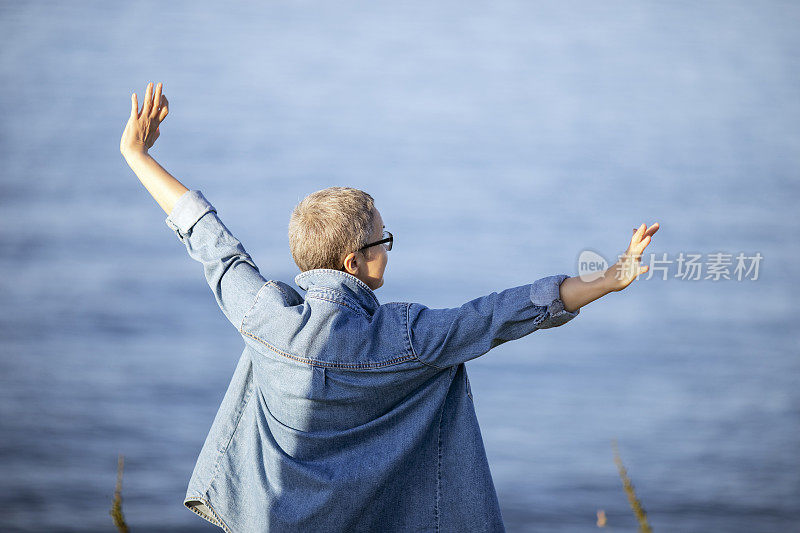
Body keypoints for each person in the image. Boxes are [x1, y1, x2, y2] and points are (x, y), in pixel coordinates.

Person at [120, 82, 659, 533]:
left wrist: (137, 155)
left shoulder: (264, 315)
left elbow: (208, 238)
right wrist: (611, 279)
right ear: (355, 261)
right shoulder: (407, 336)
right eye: (384, 240)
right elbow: (505, 313)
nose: (389, 248)